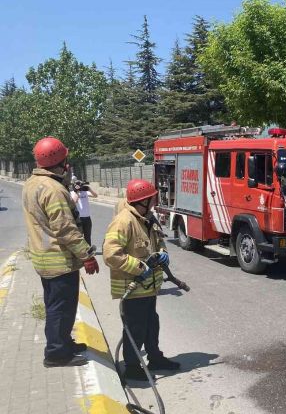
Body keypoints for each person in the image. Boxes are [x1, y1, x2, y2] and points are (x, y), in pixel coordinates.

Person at [22, 137, 100, 368]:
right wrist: (87, 255)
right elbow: (65, 228)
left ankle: (63, 342)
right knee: (61, 309)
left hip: (43, 257)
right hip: (58, 260)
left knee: (55, 305)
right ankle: (56, 353)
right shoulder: (54, 189)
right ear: (61, 161)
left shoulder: (32, 183)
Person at [102, 179, 180, 381]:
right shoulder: (124, 221)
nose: (155, 202)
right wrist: (139, 268)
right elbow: (110, 254)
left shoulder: (147, 218)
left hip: (148, 287)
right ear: (143, 201)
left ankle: (155, 358)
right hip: (133, 287)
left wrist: (162, 252)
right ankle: (133, 368)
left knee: (151, 324)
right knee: (135, 329)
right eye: (152, 199)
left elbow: (157, 242)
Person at [70, 175, 98, 245]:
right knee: (79, 237)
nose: (80, 187)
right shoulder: (72, 193)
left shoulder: (85, 192)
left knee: (87, 236)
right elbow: (74, 202)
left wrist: (89, 189)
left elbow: (95, 195)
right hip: (79, 218)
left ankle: (89, 252)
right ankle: (81, 252)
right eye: (79, 185)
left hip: (87, 218)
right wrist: (77, 192)